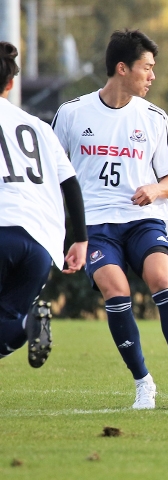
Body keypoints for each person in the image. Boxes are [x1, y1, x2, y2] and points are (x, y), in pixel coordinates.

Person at [52, 30, 168, 410]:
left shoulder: (154, 117)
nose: (152, 76)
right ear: (122, 68)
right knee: (116, 290)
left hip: (143, 220)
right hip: (95, 226)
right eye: (147, 68)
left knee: (161, 278)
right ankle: (144, 383)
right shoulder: (72, 113)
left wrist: (154, 191)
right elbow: (55, 177)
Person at [0, 41, 87, 367]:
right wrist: (80, 239)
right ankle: (27, 325)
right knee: (8, 324)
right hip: (39, 241)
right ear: (10, 84)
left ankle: (26, 324)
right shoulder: (38, 126)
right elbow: (71, 184)